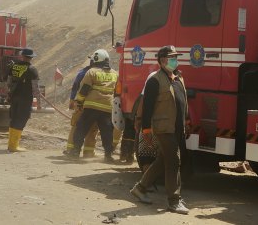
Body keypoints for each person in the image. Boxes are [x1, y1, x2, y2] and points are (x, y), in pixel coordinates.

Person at [130, 45, 190, 215]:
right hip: (163, 128)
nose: (175, 60)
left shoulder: (178, 78)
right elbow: (147, 107)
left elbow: (182, 100)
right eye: (172, 58)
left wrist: (187, 120)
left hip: (176, 127)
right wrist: (146, 130)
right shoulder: (154, 80)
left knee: (163, 160)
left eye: (176, 57)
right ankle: (174, 201)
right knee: (173, 160)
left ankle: (140, 188)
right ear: (163, 61)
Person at [68, 49, 118, 163]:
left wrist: (79, 103)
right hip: (107, 108)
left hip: (91, 107)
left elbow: (84, 89)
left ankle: (75, 151)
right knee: (107, 132)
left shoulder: (91, 72)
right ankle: (108, 155)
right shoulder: (115, 73)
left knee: (81, 128)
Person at [64, 58, 99, 157]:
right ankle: (88, 152)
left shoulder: (82, 72)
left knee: (76, 126)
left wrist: (72, 101)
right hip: (88, 104)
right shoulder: (94, 73)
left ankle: (71, 149)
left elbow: (75, 87)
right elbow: (76, 87)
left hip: (82, 103)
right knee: (91, 127)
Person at [6, 48, 40, 152]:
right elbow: (35, 88)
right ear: (31, 58)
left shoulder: (14, 66)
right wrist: (38, 102)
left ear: (22, 56)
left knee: (14, 118)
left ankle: (11, 145)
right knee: (21, 119)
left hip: (14, 96)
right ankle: (14, 146)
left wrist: (8, 95)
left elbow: (9, 82)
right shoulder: (32, 69)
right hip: (25, 98)